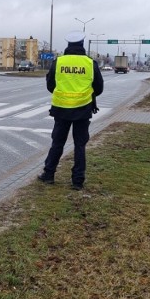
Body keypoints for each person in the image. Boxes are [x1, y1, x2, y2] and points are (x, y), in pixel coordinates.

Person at [38, 31, 104, 190]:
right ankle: (77, 181)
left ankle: (49, 175)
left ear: (68, 45)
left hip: (61, 109)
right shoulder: (90, 63)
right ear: (82, 44)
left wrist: (63, 93)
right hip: (83, 109)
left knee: (57, 143)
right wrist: (86, 94)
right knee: (80, 145)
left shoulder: (59, 62)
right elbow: (99, 87)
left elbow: (50, 85)